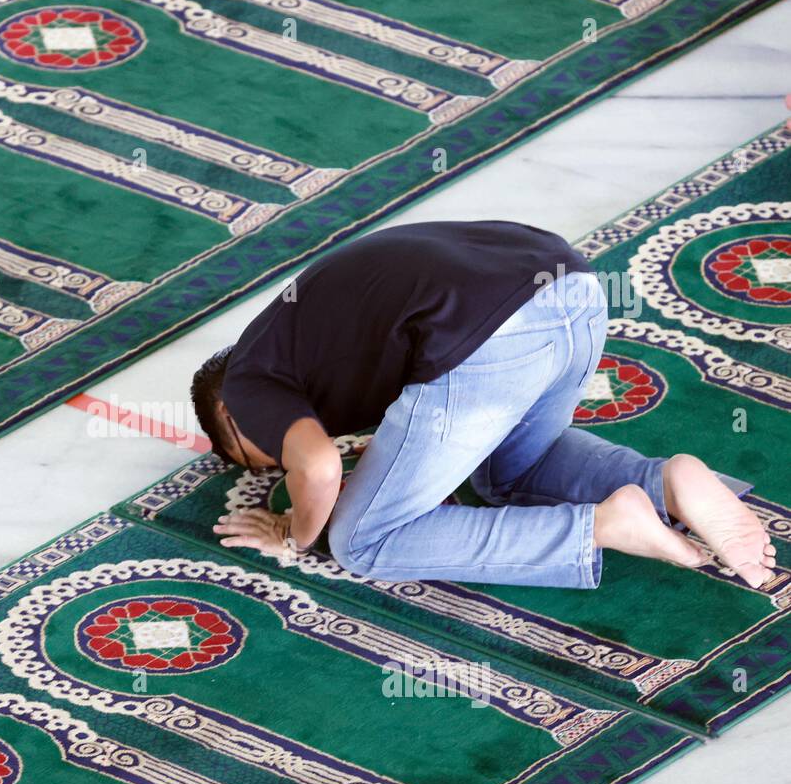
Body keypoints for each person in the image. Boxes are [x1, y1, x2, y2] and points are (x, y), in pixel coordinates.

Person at [191, 220, 775, 589]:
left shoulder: (246, 382)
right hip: (572, 293)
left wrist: (293, 532)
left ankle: (602, 525)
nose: (272, 466)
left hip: (493, 339)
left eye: (255, 459)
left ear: (229, 418)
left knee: (363, 540)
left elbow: (315, 467)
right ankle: (665, 484)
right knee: (509, 467)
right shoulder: (301, 341)